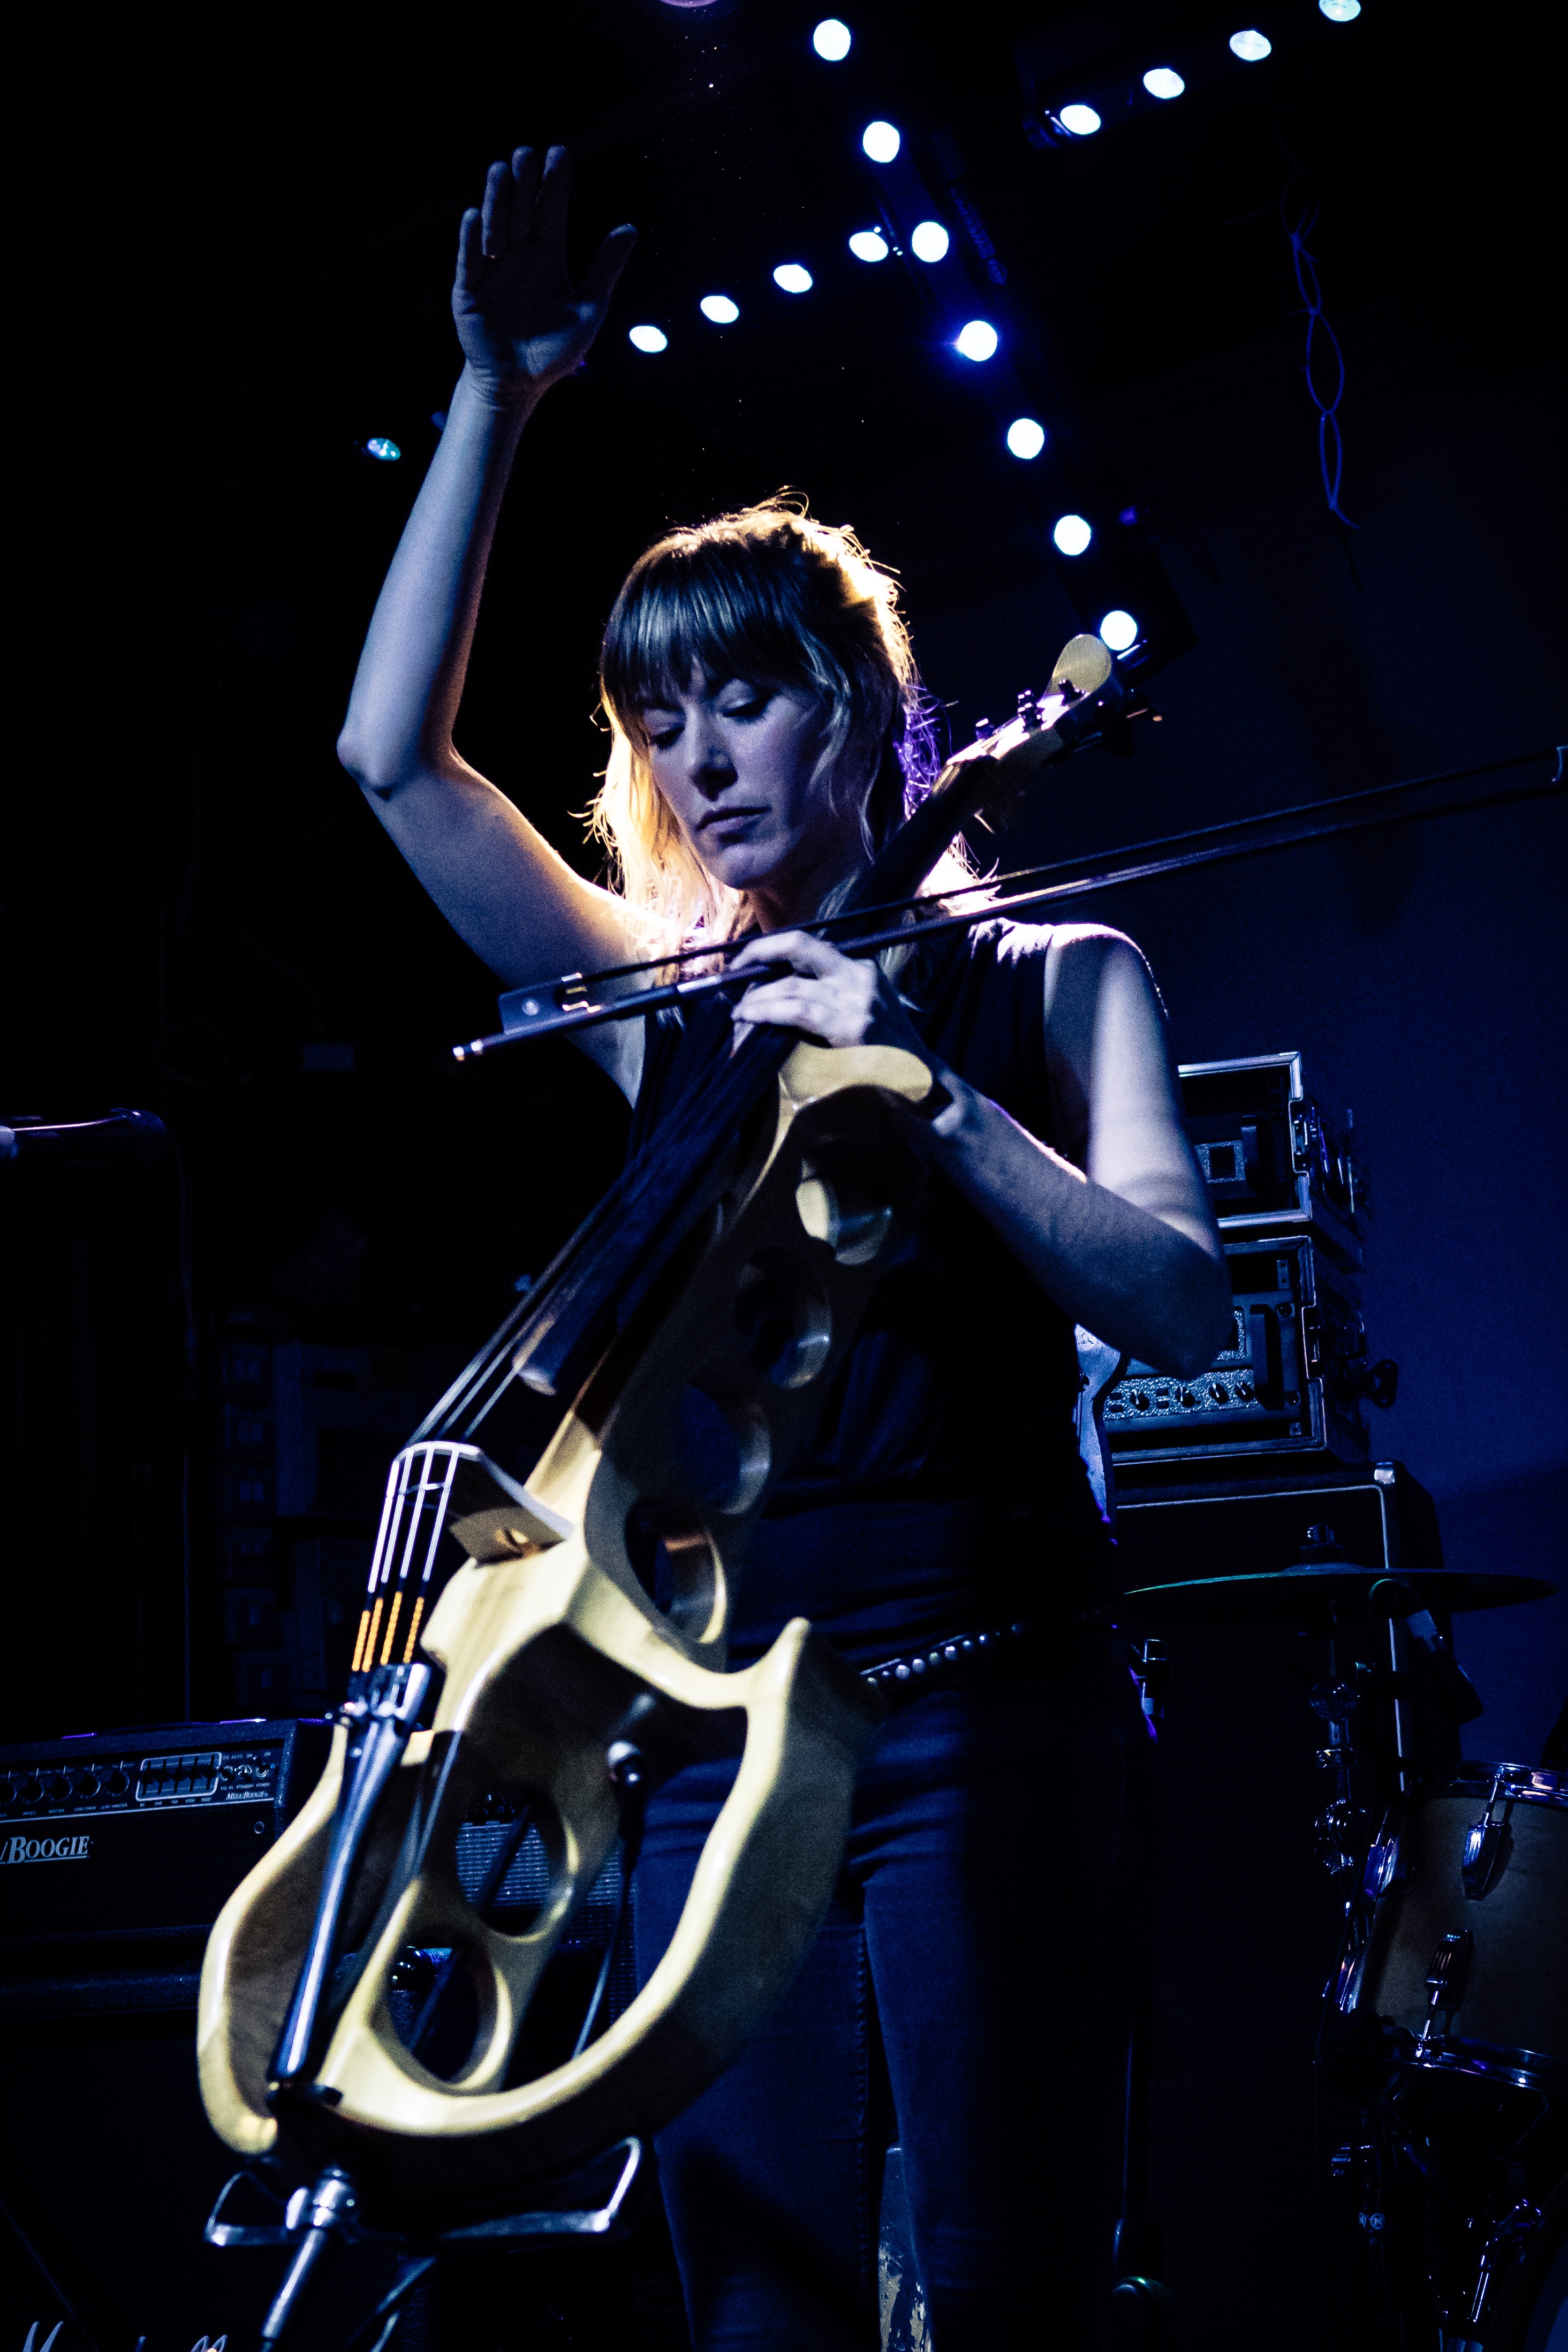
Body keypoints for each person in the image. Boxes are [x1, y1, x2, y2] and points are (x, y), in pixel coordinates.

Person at [337, 145, 1233, 2351]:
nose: (695, 761)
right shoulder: (669, 1009)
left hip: (988, 1711)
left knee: (1013, 2294)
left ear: (855, 696)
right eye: (656, 724)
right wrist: (497, 396)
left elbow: (1178, 1299)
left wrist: (925, 1099)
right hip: (718, 1745)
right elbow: (391, 764)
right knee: (760, 2315)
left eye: (739, 699)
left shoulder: (1059, 978)